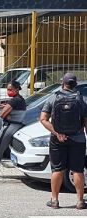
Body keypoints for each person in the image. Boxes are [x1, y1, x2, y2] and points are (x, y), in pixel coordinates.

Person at [40, 73, 87, 209]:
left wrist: (57, 132)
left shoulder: (53, 98)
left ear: (63, 83)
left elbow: (43, 119)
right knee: (77, 170)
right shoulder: (81, 99)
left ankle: (54, 200)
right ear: (75, 84)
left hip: (57, 140)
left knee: (57, 169)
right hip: (78, 139)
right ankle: (80, 201)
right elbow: (86, 123)